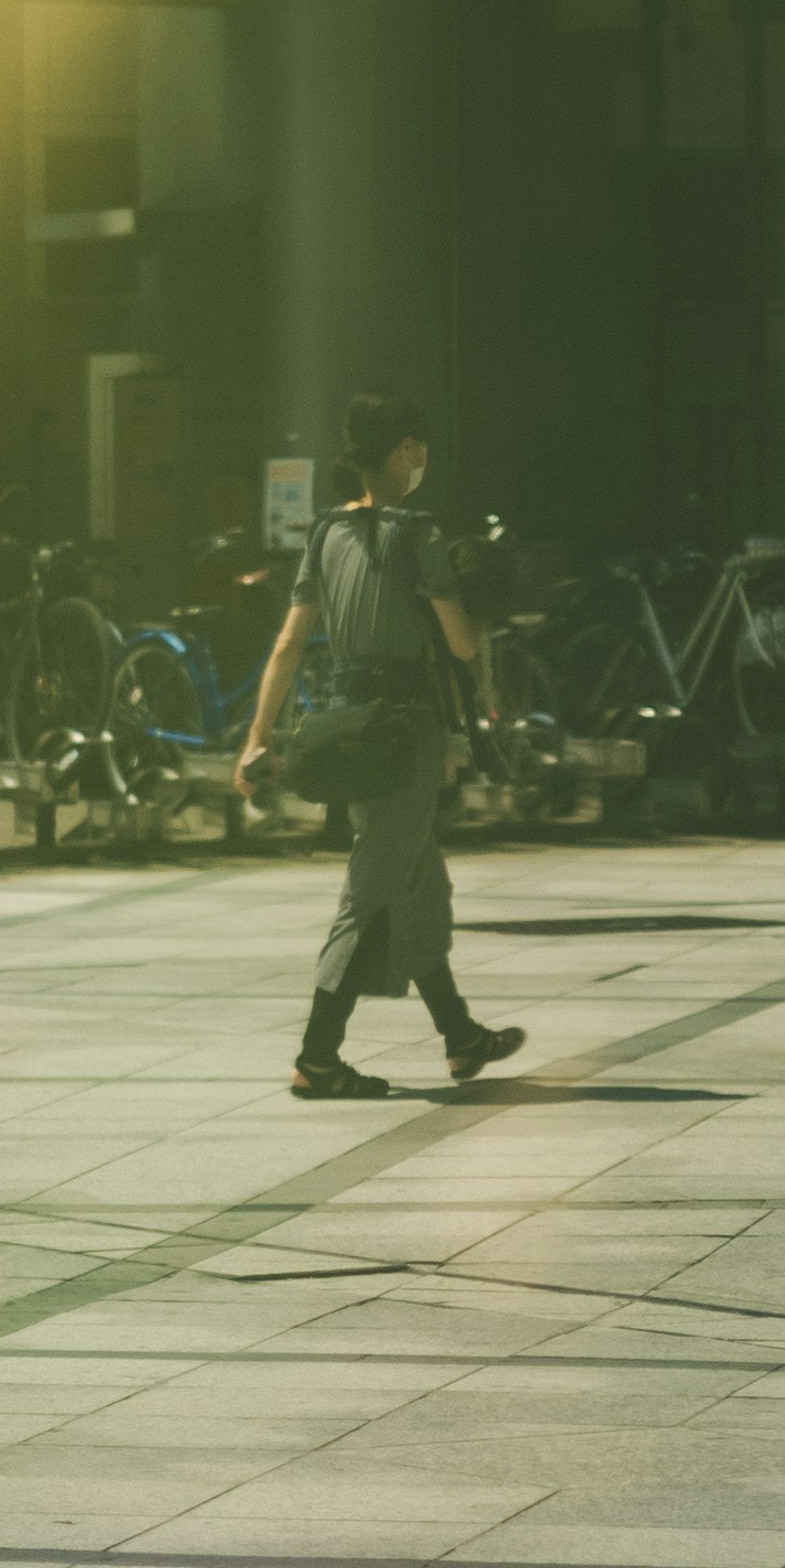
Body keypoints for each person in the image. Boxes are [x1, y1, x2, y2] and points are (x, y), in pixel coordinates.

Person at [239, 391, 528, 1101]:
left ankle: (460, 1036)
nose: (420, 457)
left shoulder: (325, 532)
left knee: (417, 886)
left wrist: (255, 739)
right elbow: (461, 642)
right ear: (397, 452)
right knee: (371, 891)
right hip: (406, 734)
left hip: (348, 728)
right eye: (413, 446)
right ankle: (317, 1056)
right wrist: (484, 617)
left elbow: (288, 643)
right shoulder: (418, 533)